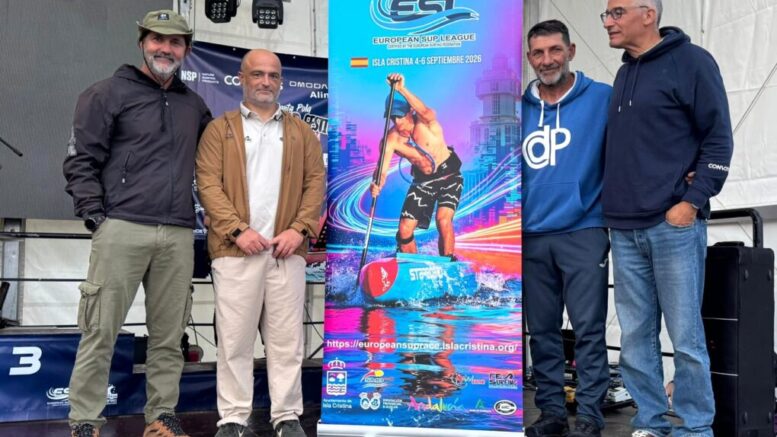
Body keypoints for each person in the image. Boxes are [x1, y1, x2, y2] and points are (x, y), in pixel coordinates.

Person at [62, 9, 212, 437]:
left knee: (169, 336)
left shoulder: (194, 105)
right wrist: (96, 216)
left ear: (186, 50)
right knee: (100, 331)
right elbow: (80, 160)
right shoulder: (105, 93)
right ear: (142, 43)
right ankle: (85, 421)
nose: (165, 48)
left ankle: (161, 416)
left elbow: (216, 164)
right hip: (121, 227)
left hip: (178, 232)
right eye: (157, 40)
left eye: (175, 42)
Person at [601, 1, 734, 436]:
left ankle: (695, 429)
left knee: (686, 337)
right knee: (635, 338)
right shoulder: (623, 74)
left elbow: (719, 139)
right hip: (624, 227)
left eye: (617, 12)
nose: (608, 21)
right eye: (606, 14)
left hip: (672, 224)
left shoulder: (692, 62)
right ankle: (651, 423)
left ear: (648, 14)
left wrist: (692, 201)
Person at [195, 49, 326, 437]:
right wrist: (238, 230)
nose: (266, 81)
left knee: (287, 342)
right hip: (235, 253)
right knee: (234, 341)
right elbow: (208, 185)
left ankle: (286, 416)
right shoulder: (219, 130)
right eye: (257, 74)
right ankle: (234, 418)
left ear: (281, 81)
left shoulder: (302, 132)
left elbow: (315, 183)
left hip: (286, 252)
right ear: (241, 78)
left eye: (273, 75)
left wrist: (298, 230)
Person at [521, 20, 611, 437]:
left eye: (555, 50)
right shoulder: (515, 109)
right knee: (541, 332)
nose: (547, 60)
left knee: (589, 329)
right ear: (529, 58)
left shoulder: (602, 98)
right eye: (538, 53)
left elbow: (641, 144)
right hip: (529, 236)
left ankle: (590, 415)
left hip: (584, 230)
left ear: (571, 51)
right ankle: (552, 414)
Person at [370, 73, 463, 258]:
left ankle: (448, 263)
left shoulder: (426, 123)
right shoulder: (391, 140)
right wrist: (376, 183)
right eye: (393, 118)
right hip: (423, 181)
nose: (397, 122)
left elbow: (426, 111)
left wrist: (401, 89)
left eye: (400, 116)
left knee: (443, 220)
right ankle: (411, 265)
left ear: (410, 112)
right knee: (404, 230)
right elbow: (382, 170)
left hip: (449, 176)